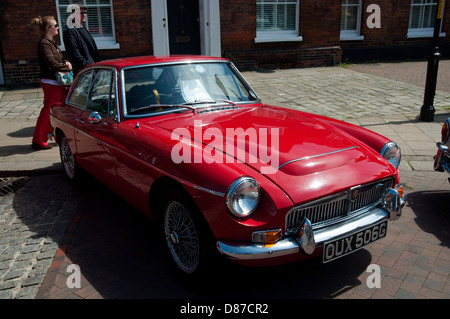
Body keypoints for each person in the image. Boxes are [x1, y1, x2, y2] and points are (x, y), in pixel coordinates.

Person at [30, 15, 72, 150]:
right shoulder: (43, 44)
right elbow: (51, 63)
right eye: (55, 26)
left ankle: (52, 134)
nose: (57, 27)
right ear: (48, 28)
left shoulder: (52, 43)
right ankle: (38, 140)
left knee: (57, 110)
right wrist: (66, 67)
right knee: (48, 111)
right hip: (50, 83)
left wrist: (65, 61)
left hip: (57, 82)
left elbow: (58, 59)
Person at [63, 3, 100, 75]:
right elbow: (74, 52)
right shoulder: (70, 30)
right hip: (84, 71)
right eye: (81, 13)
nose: (84, 15)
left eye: (85, 12)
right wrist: (85, 65)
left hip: (93, 68)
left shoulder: (83, 28)